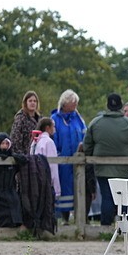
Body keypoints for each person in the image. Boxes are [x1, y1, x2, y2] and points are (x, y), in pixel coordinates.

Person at [82, 93, 128, 224]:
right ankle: (127, 228)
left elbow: (87, 145)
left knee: (107, 198)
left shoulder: (95, 123)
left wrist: (91, 158)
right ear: (120, 105)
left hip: (103, 170)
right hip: (127, 170)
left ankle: (106, 228)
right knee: (126, 200)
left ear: (107, 105)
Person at [51, 90, 87, 223]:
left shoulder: (78, 118)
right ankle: (64, 218)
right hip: (63, 161)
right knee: (64, 188)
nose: (76, 104)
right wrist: (58, 155)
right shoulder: (55, 119)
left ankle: (80, 218)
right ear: (65, 103)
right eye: (73, 101)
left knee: (79, 188)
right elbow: (54, 138)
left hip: (78, 159)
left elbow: (85, 133)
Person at [0, 133, 25, 229]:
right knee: (0, 208)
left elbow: (22, 162)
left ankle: (15, 226)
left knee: (14, 204)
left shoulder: (12, 157)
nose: (4, 146)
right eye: (2, 143)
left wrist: (15, 157)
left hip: (10, 188)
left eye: (6, 144)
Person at [8, 90, 43, 155]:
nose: (33, 103)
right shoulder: (20, 118)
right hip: (24, 156)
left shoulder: (40, 119)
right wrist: (21, 156)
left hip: (37, 156)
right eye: (30, 101)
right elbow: (15, 139)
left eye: (35, 101)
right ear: (25, 103)